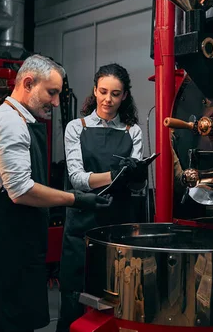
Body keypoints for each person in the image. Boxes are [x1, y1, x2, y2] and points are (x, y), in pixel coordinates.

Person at [0, 54, 112, 332]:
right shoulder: (10, 123)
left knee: (2, 318)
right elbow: (21, 190)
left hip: (19, 234)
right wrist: (76, 199)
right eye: (51, 93)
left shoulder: (20, 120)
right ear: (28, 82)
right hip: (8, 238)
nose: (54, 102)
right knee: (12, 322)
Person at [56, 63, 149, 332]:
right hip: (82, 223)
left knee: (116, 297)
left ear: (125, 96)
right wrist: (118, 174)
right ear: (95, 91)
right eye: (104, 91)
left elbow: (134, 186)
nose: (109, 99)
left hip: (118, 224)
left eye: (116, 94)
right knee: (74, 298)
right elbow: (77, 178)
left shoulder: (133, 131)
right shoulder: (76, 128)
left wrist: (137, 175)